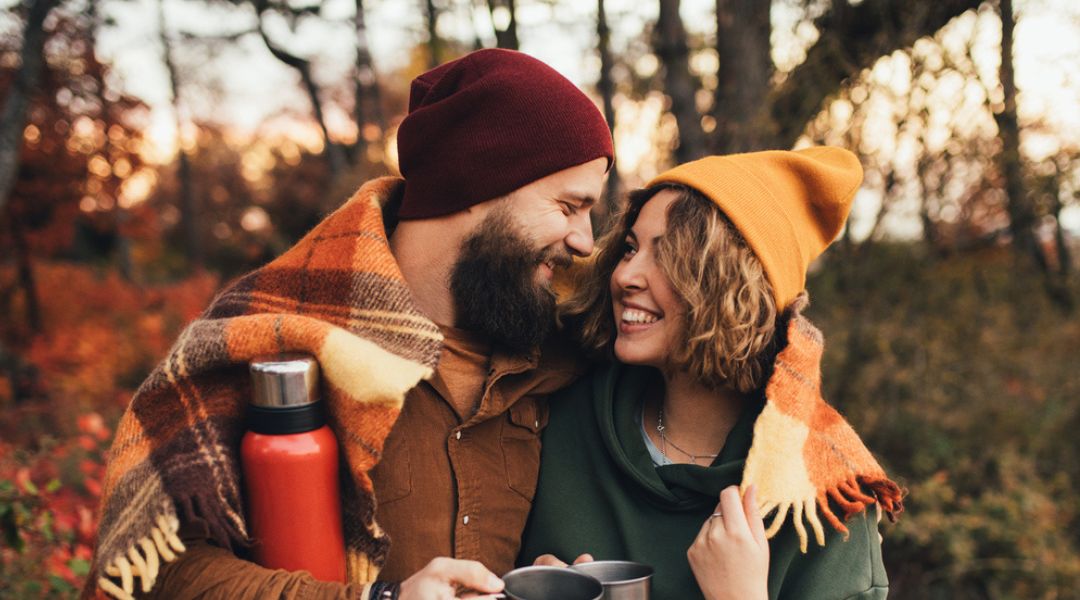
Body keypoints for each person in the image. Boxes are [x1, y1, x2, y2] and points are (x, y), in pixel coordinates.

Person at [84, 48, 613, 600]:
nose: (584, 240)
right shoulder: (274, 339)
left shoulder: (546, 352)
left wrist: (537, 575)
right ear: (481, 187)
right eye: (569, 206)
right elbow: (159, 572)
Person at [518, 148, 904, 599]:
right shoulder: (558, 414)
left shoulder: (823, 504)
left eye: (668, 257)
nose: (626, 277)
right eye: (629, 249)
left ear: (736, 289)